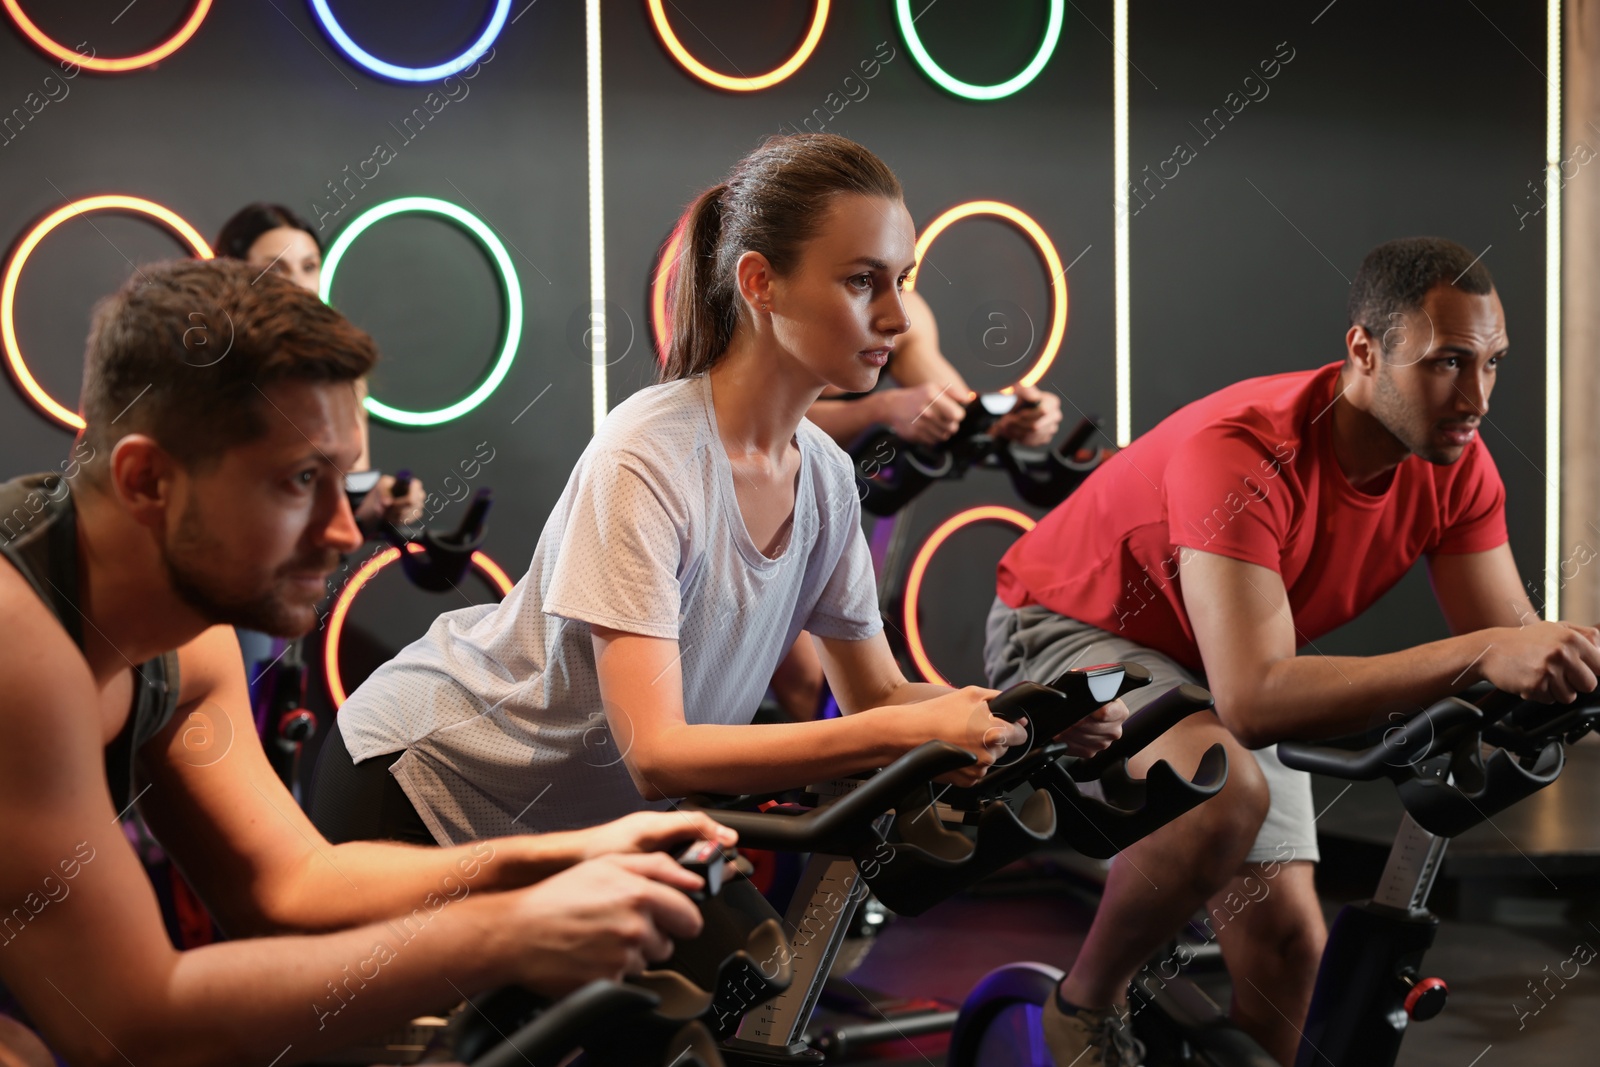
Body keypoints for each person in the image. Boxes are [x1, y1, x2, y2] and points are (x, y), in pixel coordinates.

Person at [0, 259, 736, 1066]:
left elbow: (291, 885)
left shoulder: (189, 633)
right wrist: (509, 932)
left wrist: (562, 855)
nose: (345, 530)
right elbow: (134, 1025)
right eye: (300, 480)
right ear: (148, 481)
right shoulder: (19, 640)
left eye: (342, 479)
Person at [313, 133, 1128, 853]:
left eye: (901, 282)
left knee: (728, 991)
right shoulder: (650, 455)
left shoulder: (826, 476)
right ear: (760, 283)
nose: (898, 319)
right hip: (425, 783)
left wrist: (1018, 714)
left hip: (582, 831)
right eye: (860, 282)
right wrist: (906, 728)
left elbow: (874, 690)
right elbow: (659, 753)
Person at [985, 236, 1600, 1066]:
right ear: (1363, 350)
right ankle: (1081, 1010)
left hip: (1222, 661)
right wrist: (1489, 652)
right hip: (1075, 627)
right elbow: (1255, 701)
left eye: (1492, 363)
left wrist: (1559, 665)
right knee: (1224, 791)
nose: (1476, 396)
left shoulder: (1454, 462)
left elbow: (1509, 646)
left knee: (1287, 947)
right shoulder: (1244, 451)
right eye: (1448, 363)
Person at [766, 287, 1065, 719]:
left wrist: (1010, 422)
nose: (898, 318)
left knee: (851, 693)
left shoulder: (904, 313)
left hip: (825, 516)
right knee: (808, 685)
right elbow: (759, 420)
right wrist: (881, 409)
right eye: (868, 276)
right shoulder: (783, 308)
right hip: (759, 509)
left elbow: (953, 409)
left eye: (902, 276)